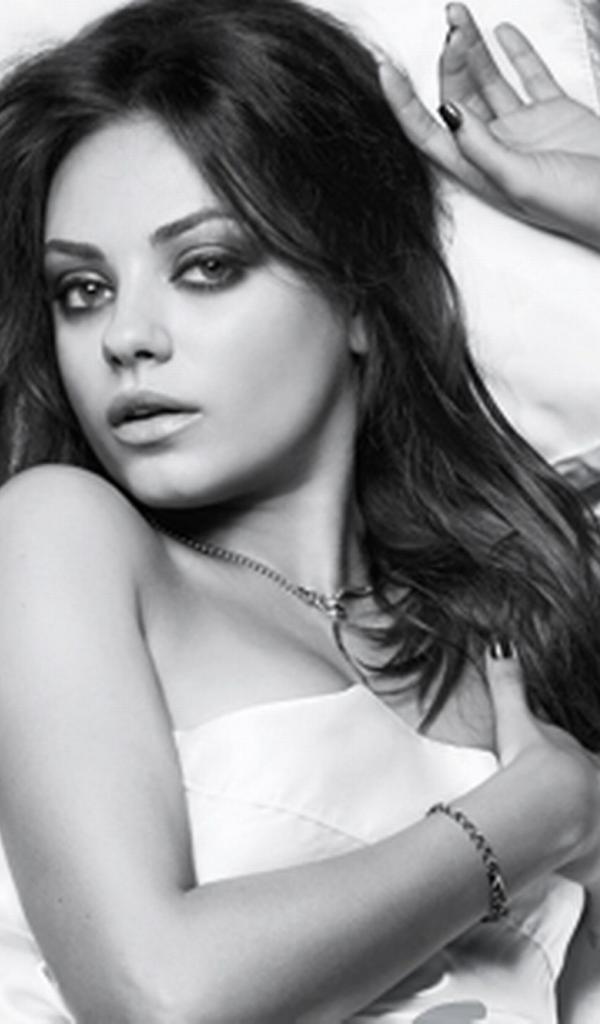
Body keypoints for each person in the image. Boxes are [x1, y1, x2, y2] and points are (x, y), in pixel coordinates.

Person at [0, 0, 599, 1020]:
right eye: (83, 289)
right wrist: (519, 825)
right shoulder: (60, 536)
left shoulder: (520, 634)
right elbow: (156, 998)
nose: (126, 337)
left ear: (359, 295)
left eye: (206, 267)